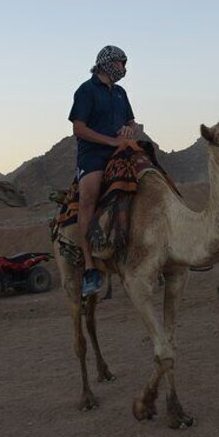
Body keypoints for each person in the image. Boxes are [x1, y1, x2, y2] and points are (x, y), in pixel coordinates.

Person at [68, 46, 137, 296]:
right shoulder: (86, 91)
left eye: (124, 63)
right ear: (106, 63)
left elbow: (131, 122)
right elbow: (78, 128)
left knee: (150, 176)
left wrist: (130, 131)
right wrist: (110, 142)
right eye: (120, 63)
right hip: (94, 153)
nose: (123, 68)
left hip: (121, 149)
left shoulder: (120, 92)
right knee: (88, 198)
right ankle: (89, 267)